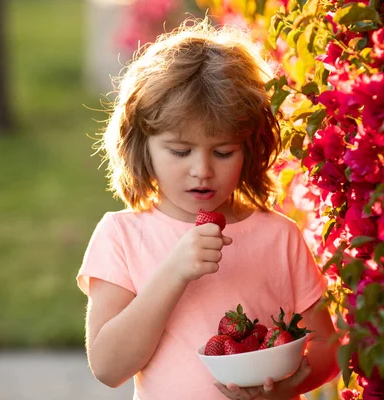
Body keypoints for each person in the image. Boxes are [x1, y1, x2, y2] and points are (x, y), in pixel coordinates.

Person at [76, 18, 339, 400]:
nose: (202, 169)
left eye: (223, 151)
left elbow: (327, 350)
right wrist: (174, 272)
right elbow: (109, 367)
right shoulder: (122, 236)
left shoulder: (279, 236)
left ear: (251, 148)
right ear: (141, 145)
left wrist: (282, 390)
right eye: (180, 151)